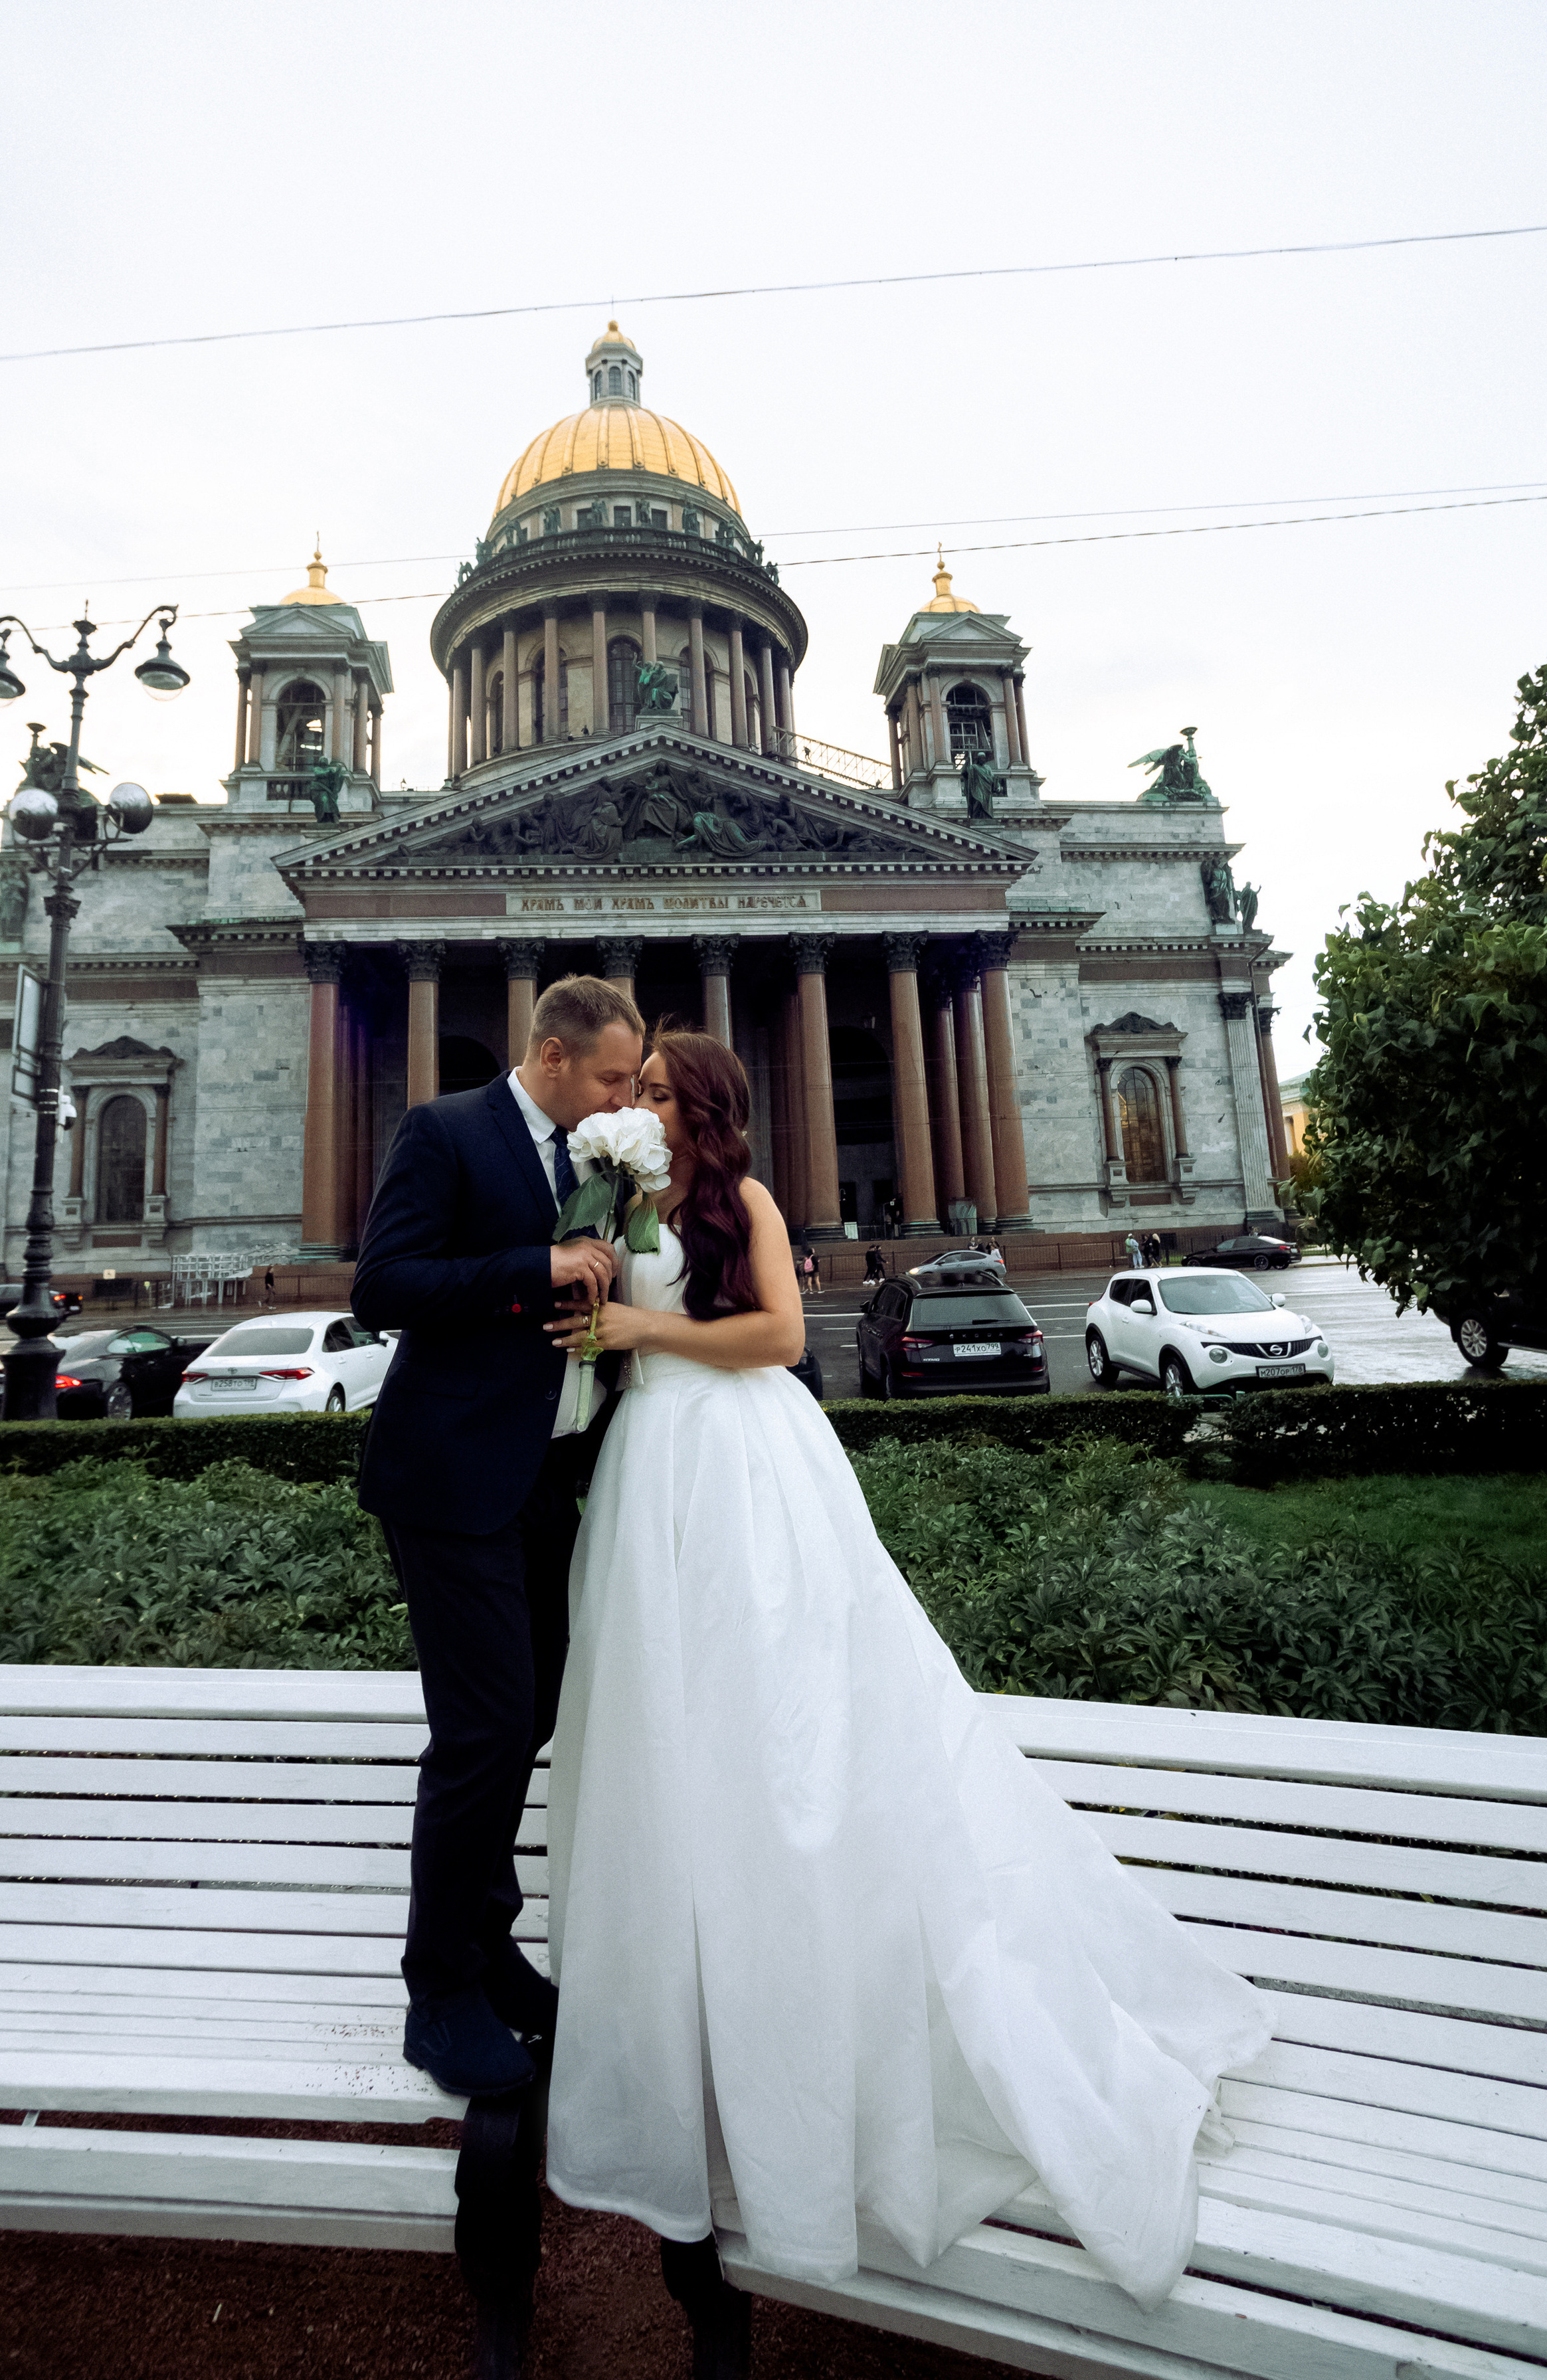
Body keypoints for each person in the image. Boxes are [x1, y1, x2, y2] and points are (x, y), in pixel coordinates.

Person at [542, 1029, 1271, 2331]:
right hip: (651, 1478)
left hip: (743, 1467)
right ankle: (710, 2017)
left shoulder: (744, 1202)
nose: (633, 1105)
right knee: (677, 1734)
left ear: (703, 1108)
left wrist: (636, 1322)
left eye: (654, 1093)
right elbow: (607, 1342)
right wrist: (587, 1328)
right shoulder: (620, 1203)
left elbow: (770, 1334)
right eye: (628, 1092)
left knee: (790, 1729)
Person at [352, 974, 644, 2100]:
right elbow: (387, 1287)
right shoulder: (446, 1131)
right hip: (451, 1481)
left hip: (541, 1481)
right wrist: (538, 1269)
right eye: (616, 1076)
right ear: (555, 1057)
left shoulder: (595, 1157)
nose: (630, 1098)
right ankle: (438, 1992)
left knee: (523, 1720)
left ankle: (488, 1945)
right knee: (480, 1734)